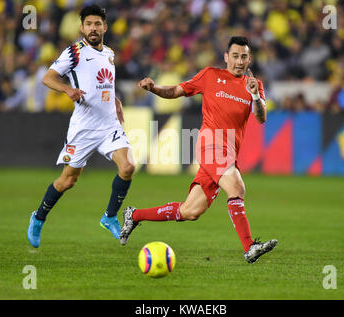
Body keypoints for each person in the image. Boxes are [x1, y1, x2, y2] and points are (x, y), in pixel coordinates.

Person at [120, 36, 277, 264]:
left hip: (229, 149)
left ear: (249, 59)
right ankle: (249, 247)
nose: (239, 61)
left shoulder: (255, 85)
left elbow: (261, 118)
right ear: (226, 57)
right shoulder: (210, 75)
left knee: (190, 211)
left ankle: (134, 215)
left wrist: (254, 95)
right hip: (210, 143)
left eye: (244, 56)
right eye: (235, 56)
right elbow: (176, 91)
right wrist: (154, 88)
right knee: (236, 186)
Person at [27, 5, 135, 248]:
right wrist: (68, 90)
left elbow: (105, 82)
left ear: (105, 27)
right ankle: (39, 217)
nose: (93, 28)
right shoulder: (74, 52)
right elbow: (48, 77)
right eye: (89, 24)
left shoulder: (109, 53)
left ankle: (109, 217)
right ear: (82, 27)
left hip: (108, 125)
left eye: (97, 24)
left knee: (128, 167)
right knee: (68, 181)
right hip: (84, 128)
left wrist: (116, 100)